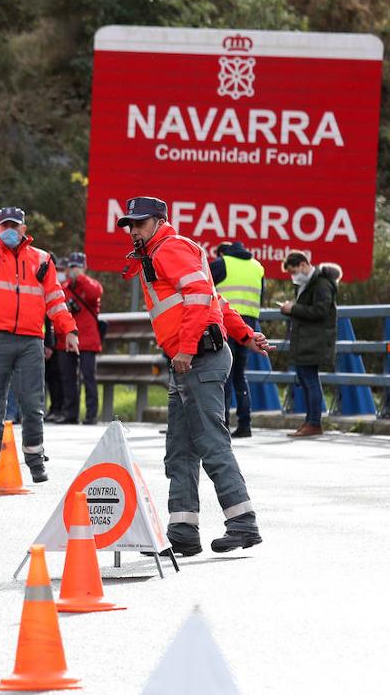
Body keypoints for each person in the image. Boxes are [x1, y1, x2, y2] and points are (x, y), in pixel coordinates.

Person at [118, 196, 272, 555]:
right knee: (180, 450)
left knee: (210, 443)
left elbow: (201, 297)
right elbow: (217, 300)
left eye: (139, 223)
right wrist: (246, 336)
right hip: (188, 359)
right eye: (130, 225)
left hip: (198, 356)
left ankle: (243, 523)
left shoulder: (169, 249)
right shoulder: (159, 253)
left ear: (158, 221)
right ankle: (183, 531)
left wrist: (186, 348)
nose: (133, 230)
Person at [0, 165, 79, 486]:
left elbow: (55, 299)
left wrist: (69, 330)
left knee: (33, 405)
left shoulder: (42, 259)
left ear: (24, 228)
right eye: (3, 225)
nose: (9, 230)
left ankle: (36, 460)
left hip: (31, 342)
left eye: (14, 225)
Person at [279, 251, 340, 438]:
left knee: (310, 381)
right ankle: (310, 421)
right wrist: (291, 309)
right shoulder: (305, 284)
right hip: (306, 339)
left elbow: (321, 311)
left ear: (304, 264)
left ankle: (314, 423)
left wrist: (293, 308)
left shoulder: (320, 283)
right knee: (306, 381)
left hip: (315, 340)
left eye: (294, 270)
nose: (293, 275)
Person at [211, 241, 266, 437]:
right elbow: (262, 295)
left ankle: (222, 424)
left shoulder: (221, 264)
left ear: (223, 253)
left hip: (226, 322)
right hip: (249, 324)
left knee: (223, 373)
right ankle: (245, 424)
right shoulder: (257, 266)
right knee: (240, 376)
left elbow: (203, 288)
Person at [58, 252, 103, 425]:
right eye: (72, 267)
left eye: (78, 267)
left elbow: (95, 294)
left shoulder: (90, 285)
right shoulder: (65, 288)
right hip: (69, 340)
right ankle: (70, 414)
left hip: (88, 340)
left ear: (84, 268)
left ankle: (91, 414)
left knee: (88, 377)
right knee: (68, 378)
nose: (74, 270)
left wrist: (82, 279)